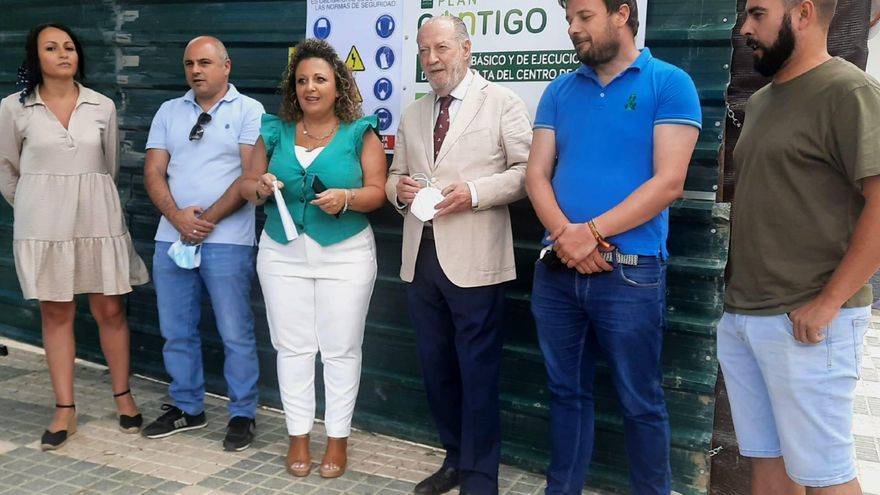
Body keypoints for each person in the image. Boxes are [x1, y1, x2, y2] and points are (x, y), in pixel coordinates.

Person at [525, 0, 702, 492]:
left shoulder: (668, 83)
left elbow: (669, 182)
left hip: (630, 273)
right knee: (565, 393)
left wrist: (591, 232)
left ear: (621, 14)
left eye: (583, 17)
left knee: (641, 402)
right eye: (568, 20)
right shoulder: (560, 89)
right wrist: (568, 237)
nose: (572, 29)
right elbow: (536, 173)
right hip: (558, 270)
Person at [718, 0, 880, 493]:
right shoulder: (763, 100)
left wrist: (829, 303)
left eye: (758, 14)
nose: (744, 28)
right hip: (746, 314)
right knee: (768, 464)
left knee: (826, 477)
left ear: (803, 13)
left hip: (807, 323)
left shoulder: (849, 90)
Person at [386, 16, 532, 495]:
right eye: (425, 51)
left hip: (475, 259)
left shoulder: (502, 102)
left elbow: (529, 172)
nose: (431, 59)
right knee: (436, 368)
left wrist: (473, 191)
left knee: (478, 371)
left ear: (467, 49)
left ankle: (480, 475)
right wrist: (400, 190)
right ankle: (454, 458)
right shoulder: (413, 113)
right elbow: (393, 177)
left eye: (441, 48)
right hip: (421, 259)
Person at [240, 38, 386, 479]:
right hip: (282, 252)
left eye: (320, 78)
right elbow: (247, 186)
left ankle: (337, 440)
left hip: (346, 255)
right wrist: (261, 187)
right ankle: (298, 435)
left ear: (337, 84)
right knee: (292, 348)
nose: (310, 87)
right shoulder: (272, 131)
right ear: (293, 88)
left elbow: (378, 193)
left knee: (341, 350)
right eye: (302, 80)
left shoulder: (360, 133)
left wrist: (347, 197)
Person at [0, 23, 149, 450]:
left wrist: (84, 199)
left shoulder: (101, 105)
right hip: (44, 228)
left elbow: (110, 166)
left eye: (69, 47)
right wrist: (34, 204)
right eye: (52, 48)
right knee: (57, 313)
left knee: (110, 308)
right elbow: (7, 169)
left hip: (97, 221)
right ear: (36, 57)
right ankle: (65, 408)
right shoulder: (14, 108)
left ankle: (123, 396)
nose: (63, 54)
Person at [142, 36, 264, 452]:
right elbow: (154, 171)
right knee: (175, 330)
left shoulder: (250, 110)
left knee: (235, 332)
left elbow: (250, 175)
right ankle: (187, 407)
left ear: (226, 66)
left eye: (206, 63)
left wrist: (206, 220)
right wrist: (178, 218)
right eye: (190, 63)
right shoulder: (168, 112)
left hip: (227, 240)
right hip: (171, 237)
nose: (196, 70)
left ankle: (242, 413)